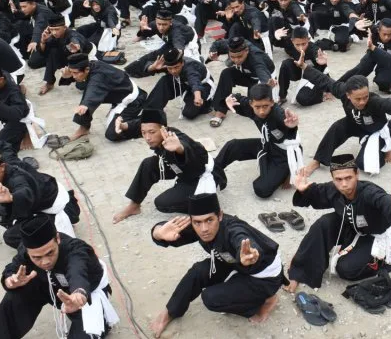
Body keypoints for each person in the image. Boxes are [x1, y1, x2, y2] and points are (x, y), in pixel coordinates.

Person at [149, 194, 283, 337]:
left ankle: (268, 300)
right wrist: (158, 233)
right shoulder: (200, 227)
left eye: (209, 220)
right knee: (198, 271)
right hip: (232, 262)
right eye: (197, 222)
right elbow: (169, 232)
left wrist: (249, 254)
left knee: (211, 298)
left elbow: (242, 238)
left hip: (262, 275)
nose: (204, 229)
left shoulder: (233, 228)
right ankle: (170, 312)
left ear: (219, 215)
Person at [285, 155, 391, 292]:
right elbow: (317, 193)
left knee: (345, 269)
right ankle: (301, 271)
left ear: (357, 174)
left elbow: (383, 200)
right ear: (333, 178)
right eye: (338, 179)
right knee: (323, 223)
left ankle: (380, 260)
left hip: (372, 235)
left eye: (348, 178)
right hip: (350, 225)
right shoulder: (334, 189)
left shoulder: (369, 192)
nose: (344, 184)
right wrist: (303, 190)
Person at [0, 214, 118, 339]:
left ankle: (102, 320)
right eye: (37, 257)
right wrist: (10, 281)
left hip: (81, 298)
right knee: (15, 294)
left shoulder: (76, 249)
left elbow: (78, 272)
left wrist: (78, 294)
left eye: (50, 253)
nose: (45, 262)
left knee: (87, 332)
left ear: (57, 239)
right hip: (50, 287)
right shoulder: (26, 250)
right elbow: (13, 267)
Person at [296, 54, 391, 176]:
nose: (362, 102)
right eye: (357, 99)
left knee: (363, 165)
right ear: (348, 95)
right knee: (337, 127)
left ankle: (382, 150)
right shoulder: (342, 90)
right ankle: (318, 160)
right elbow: (324, 80)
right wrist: (304, 66)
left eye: (365, 97)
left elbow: (387, 103)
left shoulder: (374, 101)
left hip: (374, 131)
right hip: (354, 123)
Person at [0, 142, 79, 255]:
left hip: (55, 206)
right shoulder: (6, 159)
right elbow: (4, 145)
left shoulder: (17, 179)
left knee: (11, 236)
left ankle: (47, 241)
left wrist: (11, 197)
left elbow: (24, 191)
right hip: (43, 191)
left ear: (2, 167)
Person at [113, 109, 221, 223]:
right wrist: (124, 126)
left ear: (163, 129)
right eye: (143, 133)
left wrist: (180, 149)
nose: (147, 137)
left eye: (151, 132)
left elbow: (192, 158)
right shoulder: (156, 131)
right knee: (148, 164)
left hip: (198, 174)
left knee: (162, 203)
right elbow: (141, 126)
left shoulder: (176, 139)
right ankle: (134, 206)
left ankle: (202, 204)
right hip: (178, 168)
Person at [216, 84, 302, 198]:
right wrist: (229, 99)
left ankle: (284, 171)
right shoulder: (250, 105)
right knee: (232, 146)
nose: (261, 111)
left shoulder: (279, 114)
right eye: (257, 107)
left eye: (265, 106)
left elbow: (291, 134)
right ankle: (212, 172)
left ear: (272, 102)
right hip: (267, 144)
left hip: (284, 154)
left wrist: (292, 127)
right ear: (251, 104)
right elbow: (236, 97)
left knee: (262, 189)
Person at [58, 53, 146, 141]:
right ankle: (84, 128)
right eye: (71, 72)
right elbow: (91, 88)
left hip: (133, 101)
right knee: (86, 93)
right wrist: (68, 75)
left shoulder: (98, 77)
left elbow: (94, 87)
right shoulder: (91, 65)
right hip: (119, 93)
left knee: (113, 134)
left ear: (87, 69)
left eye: (75, 73)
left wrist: (86, 104)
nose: (73, 76)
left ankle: (148, 119)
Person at [207, 36, 275, 127]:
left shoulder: (256, 57)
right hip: (246, 73)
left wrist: (267, 85)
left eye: (239, 56)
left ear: (246, 51)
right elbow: (217, 43)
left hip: (260, 80)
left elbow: (263, 73)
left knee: (253, 108)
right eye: (232, 57)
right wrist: (213, 50)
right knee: (226, 73)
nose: (236, 60)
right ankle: (220, 110)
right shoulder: (230, 45)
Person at [143, 47, 214, 119]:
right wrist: (153, 67)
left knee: (189, 113)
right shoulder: (165, 62)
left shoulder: (191, 67)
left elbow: (195, 82)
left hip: (202, 86)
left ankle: (207, 103)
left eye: (176, 67)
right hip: (183, 82)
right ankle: (150, 111)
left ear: (182, 63)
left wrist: (197, 96)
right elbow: (148, 65)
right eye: (170, 68)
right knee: (165, 80)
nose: (173, 71)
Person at [276, 26, 329, 106]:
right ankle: (282, 96)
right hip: (299, 70)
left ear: (308, 39)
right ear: (292, 41)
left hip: (314, 76)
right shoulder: (289, 43)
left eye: (304, 44)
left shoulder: (314, 49)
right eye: (297, 44)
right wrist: (276, 36)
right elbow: (277, 42)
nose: (301, 48)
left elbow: (324, 69)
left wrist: (328, 89)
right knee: (285, 64)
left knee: (302, 99)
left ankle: (321, 95)